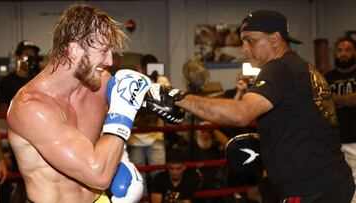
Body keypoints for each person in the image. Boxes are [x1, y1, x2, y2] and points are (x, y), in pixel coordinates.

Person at [145, 10, 355, 202]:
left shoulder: (279, 68)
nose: (244, 49)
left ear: (275, 38)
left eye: (251, 41)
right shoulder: (302, 67)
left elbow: (242, 113)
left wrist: (178, 96)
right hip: (330, 183)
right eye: (242, 42)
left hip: (313, 190)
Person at [6, 4, 151, 203]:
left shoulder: (99, 83)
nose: (109, 60)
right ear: (74, 49)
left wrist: (121, 157)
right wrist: (123, 111)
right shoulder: (30, 109)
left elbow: (152, 99)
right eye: (104, 50)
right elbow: (98, 175)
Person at [0, 39, 41, 203]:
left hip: (38, 140)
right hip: (17, 140)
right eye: (26, 55)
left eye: (33, 56)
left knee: (36, 181)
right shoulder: (8, 81)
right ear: (17, 57)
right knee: (20, 183)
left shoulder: (39, 80)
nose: (29, 59)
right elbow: (2, 113)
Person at [127, 54, 169, 195]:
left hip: (156, 135)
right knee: (138, 177)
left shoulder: (162, 80)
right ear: (141, 68)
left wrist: (154, 81)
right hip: (136, 137)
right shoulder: (135, 80)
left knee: (159, 174)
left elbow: (166, 103)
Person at [324, 37, 356, 202]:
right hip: (335, 141)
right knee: (338, 183)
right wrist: (347, 99)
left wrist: (334, 99)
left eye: (348, 50)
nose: (343, 54)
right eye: (340, 50)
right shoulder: (327, 77)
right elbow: (321, 102)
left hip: (355, 139)